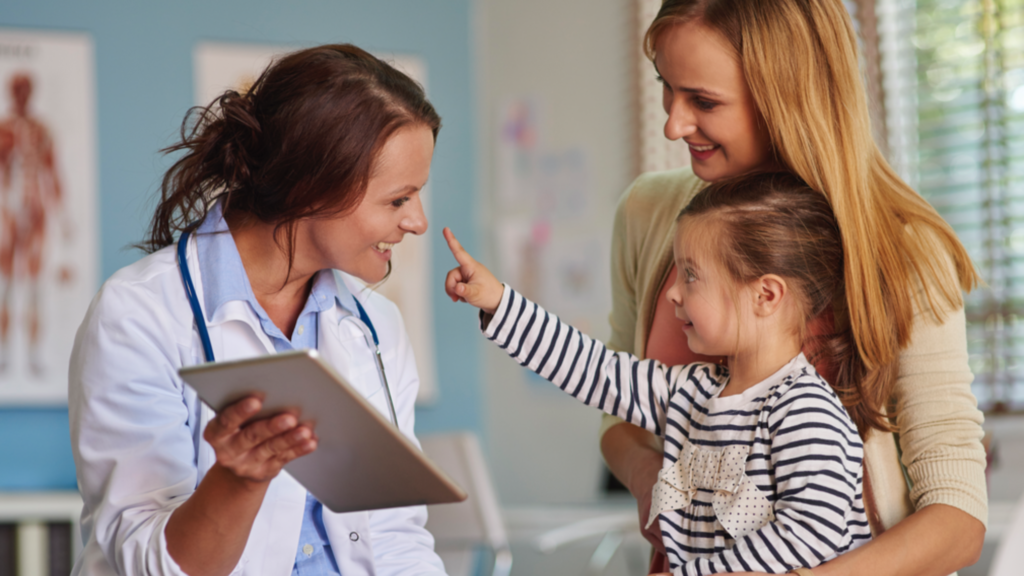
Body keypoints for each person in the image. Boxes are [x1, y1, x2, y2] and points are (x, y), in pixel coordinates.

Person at [600, 1, 987, 575]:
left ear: (786, 96)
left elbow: (956, 518)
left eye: (703, 101)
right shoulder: (647, 213)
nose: (673, 125)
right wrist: (647, 477)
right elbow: (618, 414)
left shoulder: (903, 249)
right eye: (666, 86)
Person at [69, 44, 448, 576]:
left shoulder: (374, 326)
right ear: (312, 185)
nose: (418, 222)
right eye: (398, 200)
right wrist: (238, 480)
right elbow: (146, 561)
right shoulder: (140, 314)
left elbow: (395, 538)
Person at [442, 172, 872, 574]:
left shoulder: (807, 413)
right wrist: (500, 302)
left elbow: (812, 535)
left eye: (690, 275)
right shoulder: (688, 391)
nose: (670, 293)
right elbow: (593, 369)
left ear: (765, 295)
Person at [0, 72, 67, 375]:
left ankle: (35, 353)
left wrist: (63, 216)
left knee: (36, 283)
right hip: (9, 210)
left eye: (25, 90)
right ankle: (4, 351)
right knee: (7, 282)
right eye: (17, 90)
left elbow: (53, 172)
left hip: (37, 209)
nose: (21, 95)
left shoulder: (42, 129)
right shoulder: (4, 130)